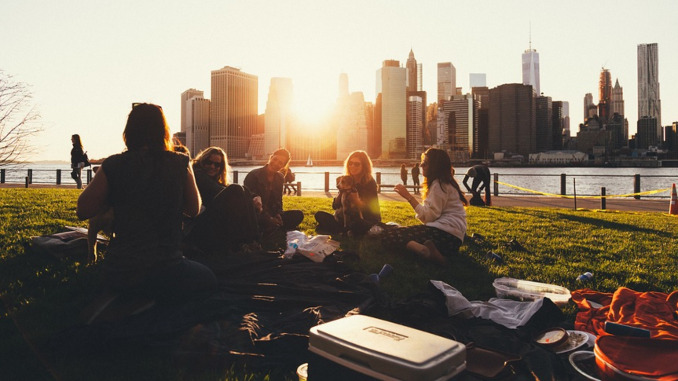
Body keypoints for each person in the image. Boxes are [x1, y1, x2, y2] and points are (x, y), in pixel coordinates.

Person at [76, 103, 216, 307]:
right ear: (164, 131)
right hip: (167, 269)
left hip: (121, 271)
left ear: (129, 132)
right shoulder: (180, 162)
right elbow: (193, 209)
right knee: (209, 279)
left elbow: (83, 210)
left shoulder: (113, 164)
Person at [384, 148, 468, 265]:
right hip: (453, 240)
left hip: (443, 234)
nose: (421, 166)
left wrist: (408, 196)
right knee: (399, 231)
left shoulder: (439, 185)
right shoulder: (445, 183)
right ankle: (432, 252)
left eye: (425, 163)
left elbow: (428, 217)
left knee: (390, 235)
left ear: (435, 166)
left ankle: (425, 252)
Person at [185, 146, 261, 253]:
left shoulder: (213, 180)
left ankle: (252, 242)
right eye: (209, 162)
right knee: (236, 189)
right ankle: (250, 242)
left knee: (244, 190)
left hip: (210, 223)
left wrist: (254, 196)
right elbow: (219, 190)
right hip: (198, 226)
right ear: (202, 161)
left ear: (221, 167)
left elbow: (223, 188)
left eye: (217, 164)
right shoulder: (198, 174)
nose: (212, 166)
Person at [314, 150, 381, 235]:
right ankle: (343, 230)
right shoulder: (346, 180)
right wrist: (340, 193)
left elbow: (371, 210)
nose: (352, 166)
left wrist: (357, 201)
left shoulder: (370, 183)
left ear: (364, 166)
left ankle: (339, 230)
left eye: (356, 164)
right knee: (319, 215)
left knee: (357, 224)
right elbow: (335, 206)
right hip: (345, 218)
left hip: (365, 218)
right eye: (350, 163)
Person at [244, 148, 304, 235]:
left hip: (272, 213)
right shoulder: (254, 175)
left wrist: (278, 214)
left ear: (283, 166)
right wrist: (269, 218)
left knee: (298, 214)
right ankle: (271, 226)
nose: (276, 163)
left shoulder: (280, 177)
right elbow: (249, 198)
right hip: (256, 213)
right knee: (258, 219)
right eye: (275, 159)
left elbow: (278, 201)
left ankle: (272, 226)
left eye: (280, 163)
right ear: (271, 157)